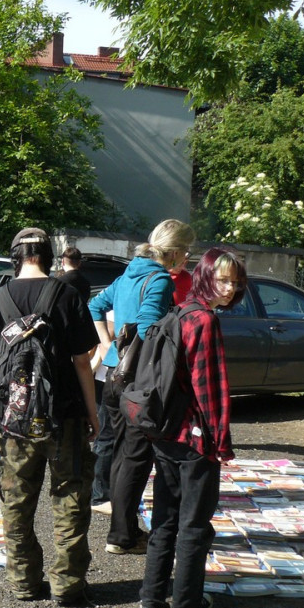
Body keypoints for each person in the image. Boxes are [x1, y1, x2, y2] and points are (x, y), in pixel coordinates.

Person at [0, 227, 99, 606]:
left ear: (15, 257)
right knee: (70, 501)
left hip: (14, 420)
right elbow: (83, 362)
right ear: (50, 257)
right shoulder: (68, 295)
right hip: (65, 416)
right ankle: (67, 585)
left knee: (16, 504)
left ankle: (25, 583)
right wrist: (93, 415)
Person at [139, 248, 245, 608]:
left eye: (235, 281)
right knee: (194, 525)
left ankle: (151, 600)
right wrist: (219, 444)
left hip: (166, 431)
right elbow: (209, 389)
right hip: (194, 439)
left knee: (165, 518)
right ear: (205, 276)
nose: (230, 288)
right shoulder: (204, 320)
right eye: (224, 279)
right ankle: (185, 604)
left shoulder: (180, 311)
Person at [88, 219, 196, 552]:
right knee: (135, 458)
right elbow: (150, 328)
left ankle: (123, 532)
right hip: (138, 382)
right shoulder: (160, 279)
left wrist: (109, 346)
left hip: (112, 376)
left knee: (123, 454)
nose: (188, 257)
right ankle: (122, 537)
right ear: (175, 252)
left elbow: (95, 306)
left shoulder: (129, 274)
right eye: (187, 250)